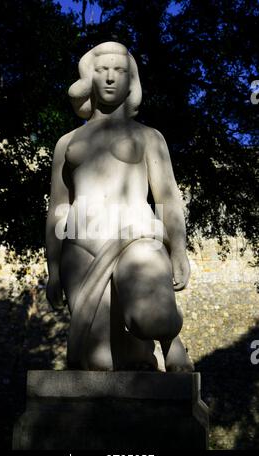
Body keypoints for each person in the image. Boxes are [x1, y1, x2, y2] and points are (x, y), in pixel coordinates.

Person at [46, 41, 193, 372]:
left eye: (120, 71)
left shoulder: (149, 137)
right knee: (97, 365)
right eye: (102, 70)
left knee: (154, 319)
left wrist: (179, 248)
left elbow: (168, 197)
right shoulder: (66, 144)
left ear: (131, 81)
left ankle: (168, 340)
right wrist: (53, 266)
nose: (111, 78)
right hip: (81, 241)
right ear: (90, 79)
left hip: (137, 234)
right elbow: (58, 207)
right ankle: (139, 358)